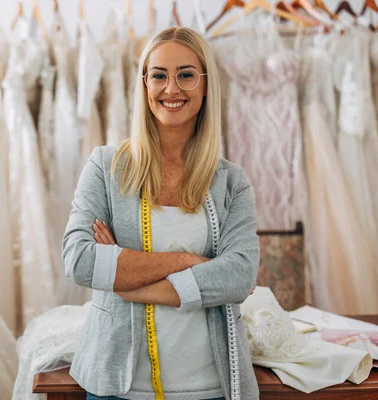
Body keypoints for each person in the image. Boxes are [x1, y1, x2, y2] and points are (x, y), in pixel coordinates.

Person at [62, 27, 260, 400]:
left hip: (210, 386)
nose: (171, 89)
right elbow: (80, 261)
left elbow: (238, 276)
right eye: (159, 75)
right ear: (144, 84)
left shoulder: (231, 181)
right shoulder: (106, 167)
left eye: (185, 75)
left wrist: (129, 283)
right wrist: (187, 261)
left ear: (205, 85)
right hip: (117, 387)